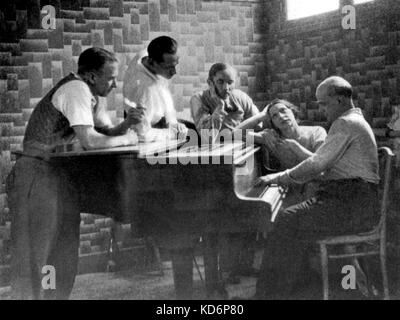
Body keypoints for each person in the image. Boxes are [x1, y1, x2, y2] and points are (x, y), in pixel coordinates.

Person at [6, 47, 139, 300]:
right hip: (35, 175)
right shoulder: (75, 89)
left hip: (61, 176)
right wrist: (128, 139)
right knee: (36, 256)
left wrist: (126, 125)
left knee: (63, 255)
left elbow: (105, 133)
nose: (114, 85)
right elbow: (90, 141)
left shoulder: (91, 94)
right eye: (110, 78)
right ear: (91, 76)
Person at [254, 76, 380, 299]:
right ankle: (294, 289)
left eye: (324, 103)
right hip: (351, 201)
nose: (322, 109)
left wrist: (276, 178)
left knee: (285, 221)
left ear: (340, 100)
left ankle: (268, 295)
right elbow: (322, 167)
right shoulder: (351, 122)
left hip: (351, 203)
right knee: (290, 222)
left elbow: (317, 164)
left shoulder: (345, 123)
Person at [190, 63, 260, 296]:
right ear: (210, 81)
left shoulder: (241, 97)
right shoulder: (199, 99)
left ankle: (242, 265)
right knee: (218, 218)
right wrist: (218, 110)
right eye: (221, 81)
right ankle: (217, 276)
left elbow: (258, 121)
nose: (226, 86)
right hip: (215, 167)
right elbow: (205, 136)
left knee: (248, 211)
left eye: (230, 82)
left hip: (243, 159)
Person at [123, 35, 187, 142]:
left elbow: (163, 92)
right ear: (152, 63)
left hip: (161, 119)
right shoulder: (144, 89)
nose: (174, 72)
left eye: (175, 65)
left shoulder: (146, 56)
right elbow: (141, 135)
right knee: (195, 136)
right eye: (168, 68)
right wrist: (172, 133)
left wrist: (172, 121)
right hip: (147, 129)